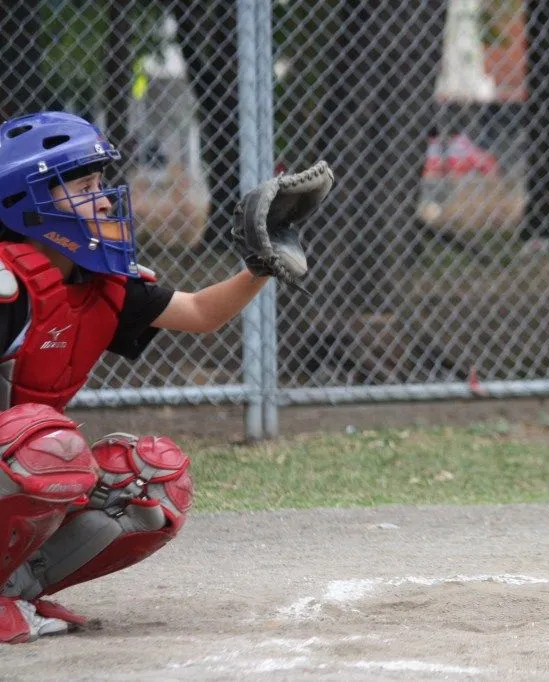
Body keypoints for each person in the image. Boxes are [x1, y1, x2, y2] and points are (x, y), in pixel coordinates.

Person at [0, 111, 331, 643]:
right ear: (25, 203)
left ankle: (13, 591)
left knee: (151, 479)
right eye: (83, 187)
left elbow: (200, 312)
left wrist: (261, 264)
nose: (104, 199)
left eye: (100, 184)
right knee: (47, 447)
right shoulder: (6, 285)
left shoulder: (99, 282)